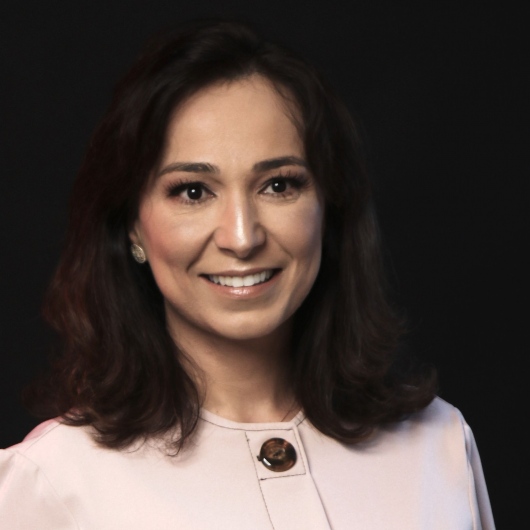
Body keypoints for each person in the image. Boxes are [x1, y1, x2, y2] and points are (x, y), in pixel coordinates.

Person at [0, 19, 494, 529]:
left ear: (328, 208)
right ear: (132, 227)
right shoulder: (54, 481)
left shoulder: (437, 446)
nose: (241, 237)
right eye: (193, 191)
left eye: (278, 185)